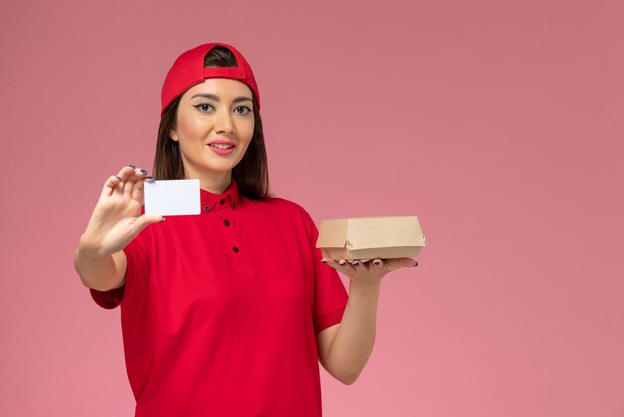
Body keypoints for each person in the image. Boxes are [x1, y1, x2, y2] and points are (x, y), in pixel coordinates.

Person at [73, 42, 418, 417]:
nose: (227, 124)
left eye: (242, 109)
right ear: (171, 125)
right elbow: (101, 275)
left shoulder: (293, 222)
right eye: (205, 106)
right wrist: (91, 250)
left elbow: (345, 367)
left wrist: (366, 286)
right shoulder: (146, 218)